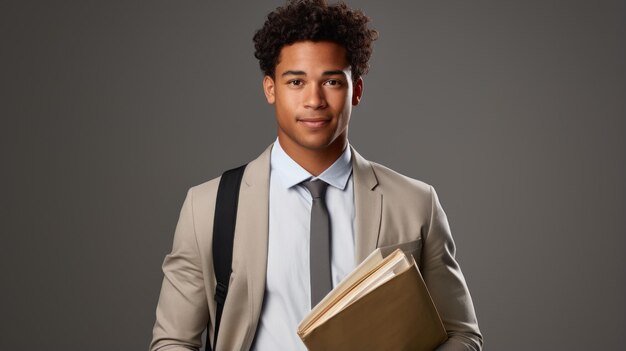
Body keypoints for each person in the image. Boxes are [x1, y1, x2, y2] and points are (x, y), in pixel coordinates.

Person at [150, 1, 482, 350]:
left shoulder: (415, 203)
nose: (314, 99)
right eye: (296, 81)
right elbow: (172, 341)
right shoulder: (207, 207)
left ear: (356, 91)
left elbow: (462, 334)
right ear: (270, 89)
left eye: (332, 81)